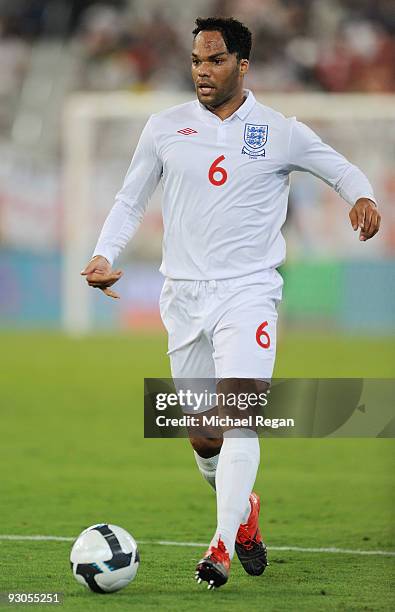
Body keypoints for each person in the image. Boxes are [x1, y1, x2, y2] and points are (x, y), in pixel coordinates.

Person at [81, 17, 381, 589]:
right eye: (197, 60)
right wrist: (102, 252)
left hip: (249, 292)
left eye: (215, 60)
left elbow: (340, 167)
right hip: (184, 297)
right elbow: (129, 198)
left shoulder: (279, 131)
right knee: (203, 433)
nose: (202, 70)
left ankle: (219, 546)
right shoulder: (165, 128)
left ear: (243, 65)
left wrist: (362, 196)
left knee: (238, 416)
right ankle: (244, 516)